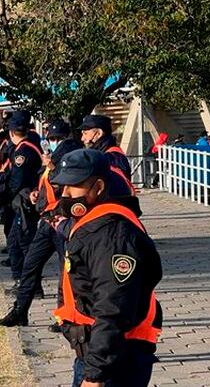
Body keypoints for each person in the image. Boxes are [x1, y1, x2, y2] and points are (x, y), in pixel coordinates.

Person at [51, 149, 162, 387]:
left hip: (115, 358)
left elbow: (113, 307)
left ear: (98, 187)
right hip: (98, 351)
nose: (66, 194)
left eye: (74, 186)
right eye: (62, 187)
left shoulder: (112, 236)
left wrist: (95, 375)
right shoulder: (93, 223)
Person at [0, 118, 83, 328]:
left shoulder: (71, 155)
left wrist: (52, 168)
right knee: (31, 264)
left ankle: (65, 316)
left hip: (62, 220)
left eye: (56, 138)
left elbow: (66, 183)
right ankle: (20, 310)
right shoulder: (54, 155)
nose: (53, 142)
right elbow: (46, 182)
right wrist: (37, 192)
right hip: (47, 219)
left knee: (66, 270)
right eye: (51, 138)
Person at [4, 110, 43, 288]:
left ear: (12, 133)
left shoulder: (23, 151)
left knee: (22, 243)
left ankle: (28, 285)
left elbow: (17, 181)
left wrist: (5, 194)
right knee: (17, 242)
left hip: (25, 201)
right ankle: (26, 283)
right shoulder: (30, 145)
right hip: (27, 200)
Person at [78, 115, 136, 197]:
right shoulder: (104, 154)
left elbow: (116, 187)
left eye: (85, 133)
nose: (82, 139)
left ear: (98, 133)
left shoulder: (112, 156)